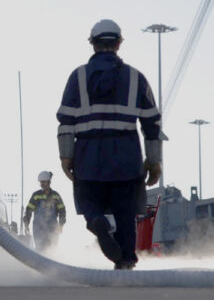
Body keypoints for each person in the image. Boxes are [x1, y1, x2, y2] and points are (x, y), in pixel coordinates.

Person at [56, 19, 165, 270]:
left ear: (92, 44)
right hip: (126, 156)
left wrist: (66, 156)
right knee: (125, 212)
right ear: (119, 43)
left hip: (88, 155)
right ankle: (126, 260)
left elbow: (66, 121)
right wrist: (154, 161)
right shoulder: (136, 78)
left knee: (90, 203)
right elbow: (152, 123)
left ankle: (96, 222)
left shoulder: (78, 77)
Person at [23, 171, 67, 252]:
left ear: (49, 182)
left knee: (52, 249)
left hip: (52, 228)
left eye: (43, 182)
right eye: (40, 182)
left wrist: (61, 225)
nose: (41, 184)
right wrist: (26, 224)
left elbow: (62, 211)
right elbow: (28, 210)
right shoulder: (36, 195)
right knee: (40, 249)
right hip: (38, 228)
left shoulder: (55, 196)